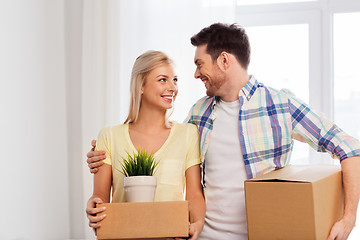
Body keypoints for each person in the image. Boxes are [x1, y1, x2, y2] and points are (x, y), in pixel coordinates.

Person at [86, 23, 360, 240]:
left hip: (265, 235)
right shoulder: (198, 113)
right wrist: (103, 156)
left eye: (199, 64)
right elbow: (162, 149)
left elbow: (350, 148)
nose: (195, 75)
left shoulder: (281, 105)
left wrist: (348, 220)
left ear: (225, 60)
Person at [86, 50, 205, 240]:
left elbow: (194, 193)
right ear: (141, 85)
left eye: (175, 79)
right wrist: (94, 206)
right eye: (162, 80)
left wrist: (197, 223)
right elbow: (99, 197)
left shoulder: (188, 134)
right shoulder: (109, 136)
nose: (172, 87)